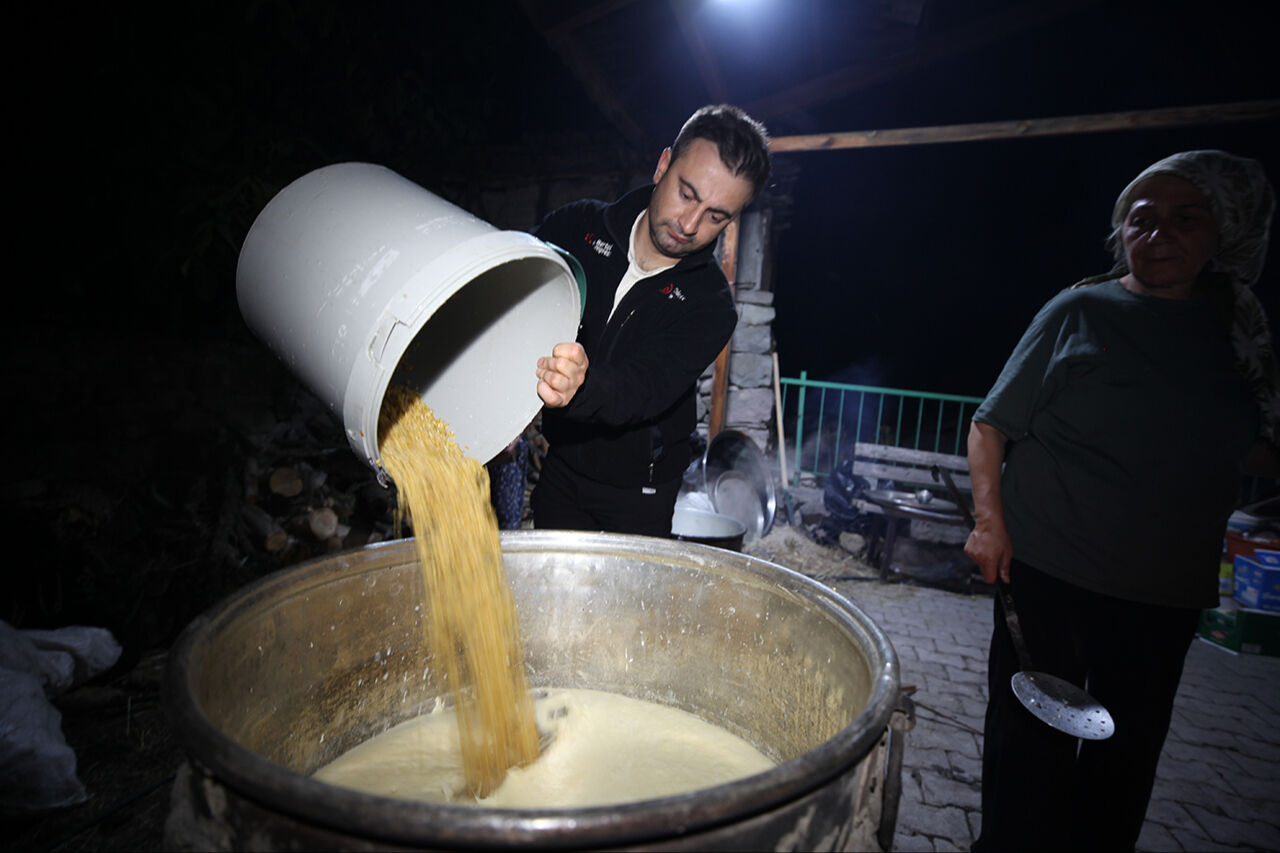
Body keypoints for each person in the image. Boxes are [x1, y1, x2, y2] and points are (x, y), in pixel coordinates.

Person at [964, 149, 1280, 852]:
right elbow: (990, 424)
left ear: (1223, 233)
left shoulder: (1238, 338)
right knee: (1029, 747)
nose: (1158, 234)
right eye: (1142, 219)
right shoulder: (1082, 310)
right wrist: (990, 524)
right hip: (1047, 569)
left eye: (1184, 219)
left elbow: (1253, 446)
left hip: (1163, 590)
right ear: (1122, 232)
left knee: (1125, 757)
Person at [528, 104, 772, 537]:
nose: (690, 224)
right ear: (663, 166)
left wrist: (580, 386)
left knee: (625, 607)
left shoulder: (711, 306)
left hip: (640, 494)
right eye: (687, 194)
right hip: (561, 466)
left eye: (716, 216)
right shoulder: (577, 227)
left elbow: (642, 388)